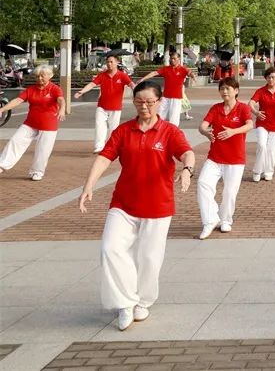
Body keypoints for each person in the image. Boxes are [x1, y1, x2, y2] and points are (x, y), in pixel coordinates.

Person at [78, 81, 195, 331]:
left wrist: (187, 169)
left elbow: (187, 153)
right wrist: (88, 185)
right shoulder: (123, 131)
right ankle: (125, 302)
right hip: (124, 203)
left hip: (158, 205)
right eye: (140, 101)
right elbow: (104, 157)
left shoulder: (170, 132)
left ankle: (143, 300)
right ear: (133, 103)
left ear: (160, 102)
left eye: (150, 102)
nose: (145, 106)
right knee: (110, 248)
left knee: (150, 258)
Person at [196, 77, 254, 239]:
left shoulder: (242, 108)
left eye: (228, 88)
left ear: (236, 91)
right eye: (222, 89)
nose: (225, 91)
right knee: (203, 184)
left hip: (235, 159)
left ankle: (226, 220)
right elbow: (203, 125)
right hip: (215, 157)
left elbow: (250, 125)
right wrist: (204, 131)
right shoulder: (216, 108)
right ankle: (211, 219)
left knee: (229, 192)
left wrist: (233, 132)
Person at [0, 64, 66, 180]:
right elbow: (17, 100)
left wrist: (62, 110)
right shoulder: (31, 89)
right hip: (30, 123)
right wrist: (2, 109)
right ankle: (2, 165)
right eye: (37, 76)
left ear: (50, 76)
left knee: (43, 149)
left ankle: (37, 172)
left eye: (42, 76)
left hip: (48, 125)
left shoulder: (55, 89)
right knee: (15, 141)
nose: (39, 78)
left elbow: (61, 99)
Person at [75, 55, 135, 154]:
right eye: (107, 62)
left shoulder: (122, 75)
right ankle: (99, 146)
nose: (109, 64)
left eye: (111, 62)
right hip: (102, 107)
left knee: (114, 129)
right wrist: (82, 91)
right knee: (99, 125)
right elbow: (92, 84)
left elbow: (131, 84)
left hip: (116, 108)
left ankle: (112, 147)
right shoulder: (102, 75)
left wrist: (136, 90)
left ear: (117, 63)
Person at [136, 52, 190, 127]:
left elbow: (189, 73)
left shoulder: (183, 69)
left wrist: (192, 76)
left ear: (179, 59)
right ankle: (157, 129)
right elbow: (154, 73)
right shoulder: (166, 69)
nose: (172, 60)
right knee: (160, 114)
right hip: (165, 97)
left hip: (176, 98)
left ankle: (172, 133)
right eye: (171, 58)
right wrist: (142, 79)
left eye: (174, 58)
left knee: (174, 118)